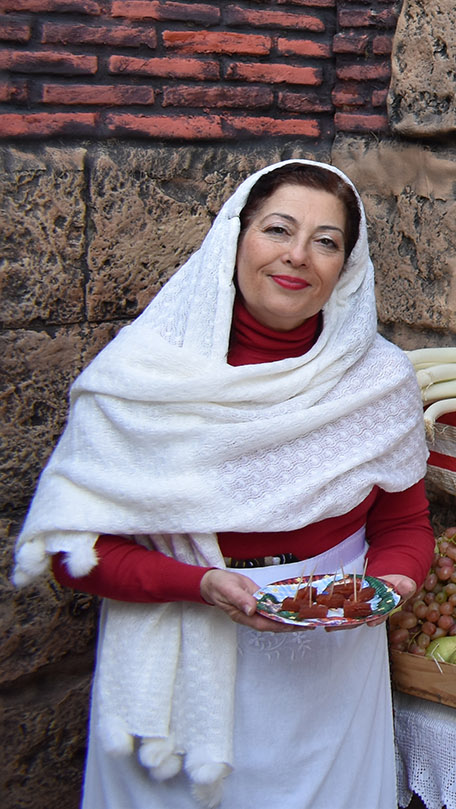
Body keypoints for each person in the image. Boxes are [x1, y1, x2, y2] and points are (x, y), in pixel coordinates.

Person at [12, 161, 431, 808]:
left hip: (331, 674)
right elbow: (75, 551)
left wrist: (392, 583)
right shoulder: (145, 377)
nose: (298, 255)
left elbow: (402, 525)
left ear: (347, 265)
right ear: (234, 237)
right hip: (182, 678)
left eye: (326, 240)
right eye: (278, 229)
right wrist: (199, 583)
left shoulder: (377, 380)